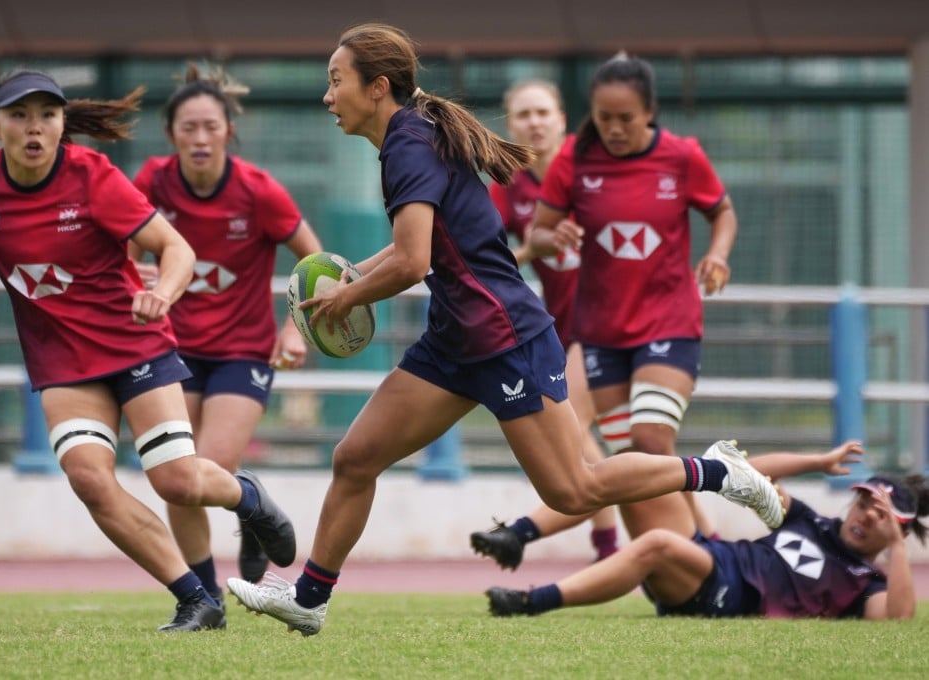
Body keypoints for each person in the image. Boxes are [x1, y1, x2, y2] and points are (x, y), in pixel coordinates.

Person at [225, 22, 782, 637]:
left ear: (378, 87)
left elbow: (413, 262)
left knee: (575, 490)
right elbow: (420, 248)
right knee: (355, 458)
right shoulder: (410, 137)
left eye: (336, 82)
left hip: (504, 336)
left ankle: (721, 472)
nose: (328, 97)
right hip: (454, 339)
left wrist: (346, 296)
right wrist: (355, 274)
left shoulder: (408, 146)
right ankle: (310, 598)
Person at [0, 69, 297, 632]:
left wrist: (162, 293)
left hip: (135, 345)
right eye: (19, 116)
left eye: (47, 115)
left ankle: (247, 496)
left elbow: (176, 248)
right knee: (90, 479)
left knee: (177, 482)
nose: (34, 127)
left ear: (63, 124)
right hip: (64, 363)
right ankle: (196, 599)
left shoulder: (92, 176)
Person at [521, 53, 736, 544]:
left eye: (626, 118)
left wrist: (718, 255)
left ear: (649, 111)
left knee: (652, 441)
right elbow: (539, 234)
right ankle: (680, 558)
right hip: (600, 332)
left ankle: (701, 535)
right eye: (604, 118)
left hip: (670, 321)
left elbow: (722, 212)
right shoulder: (575, 158)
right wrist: (555, 238)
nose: (614, 129)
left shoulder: (682, 156)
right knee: (628, 464)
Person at [129, 64, 322, 594]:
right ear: (171, 135)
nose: (199, 137)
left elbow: (318, 262)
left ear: (228, 132)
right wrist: (133, 275)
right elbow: (118, 249)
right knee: (176, 477)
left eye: (210, 126)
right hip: (173, 349)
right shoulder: (151, 182)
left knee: (208, 467)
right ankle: (205, 593)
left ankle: (252, 509)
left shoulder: (259, 191)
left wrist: (294, 329)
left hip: (243, 352)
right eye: (187, 127)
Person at [486, 440, 926, 620]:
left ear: (898, 532)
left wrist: (896, 551)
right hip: (713, 556)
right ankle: (518, 535)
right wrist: (818, 462)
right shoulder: (813, 522)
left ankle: (530, 602)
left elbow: (897, 620)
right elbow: (749, 474)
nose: (866, 515)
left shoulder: (867, 583)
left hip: (729, 594)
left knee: (658, 545)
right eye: (865, 502)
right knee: (635, 473)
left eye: (881, 516)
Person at [486, 79, 618, 563]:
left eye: (543, 112)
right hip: (561, 330)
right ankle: (681, 541)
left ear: (563, 119)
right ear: (509, 125)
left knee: (574, 429)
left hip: (612, 324)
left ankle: (560, 539)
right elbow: (490, 257)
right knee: (624, 445)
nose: (534, 123)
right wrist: (533, 246)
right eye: (523, 115)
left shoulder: (594, 172)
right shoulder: (511, 187)